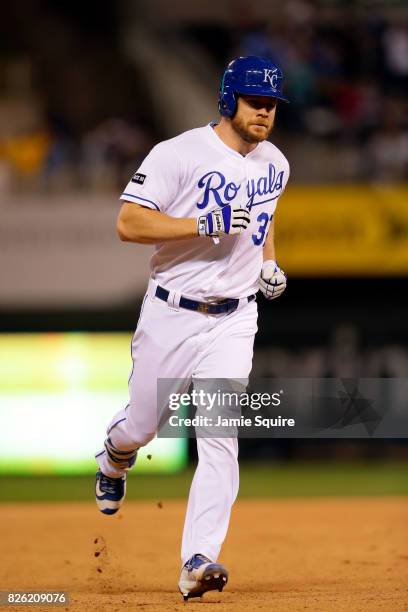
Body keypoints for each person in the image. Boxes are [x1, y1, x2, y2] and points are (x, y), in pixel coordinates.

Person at [94, 55, 290, 601]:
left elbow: (264, 222)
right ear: (228, 100)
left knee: (220, 438)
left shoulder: (275, 162)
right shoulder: (178, 153)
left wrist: (268, 263)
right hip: (172, 312)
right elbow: (128, 222)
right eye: (255, 102)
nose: (265, 113)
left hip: (235, 318)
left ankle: (197, 559)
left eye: (272, 104)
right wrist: (201, 223)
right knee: (143, 426)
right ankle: (115, 454)